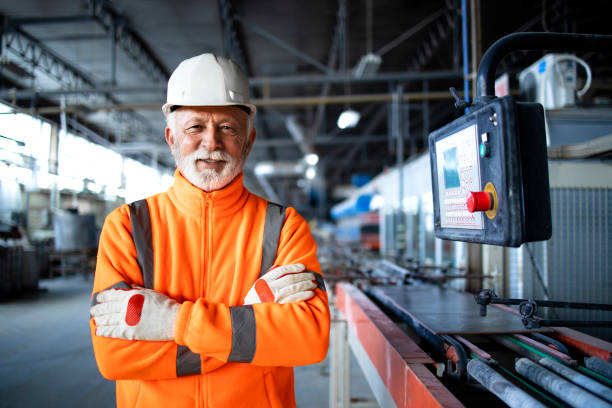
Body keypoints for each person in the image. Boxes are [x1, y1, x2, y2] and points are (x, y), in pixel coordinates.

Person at [89, 53, 330, 408]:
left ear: (247, 142)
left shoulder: (284, 228)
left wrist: (174, 321)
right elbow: (114, 355)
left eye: (228, 128)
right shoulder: (127, 226)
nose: (212, 142)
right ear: (172, 139)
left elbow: (308, 339)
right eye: (195, 127)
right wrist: (246, 324)